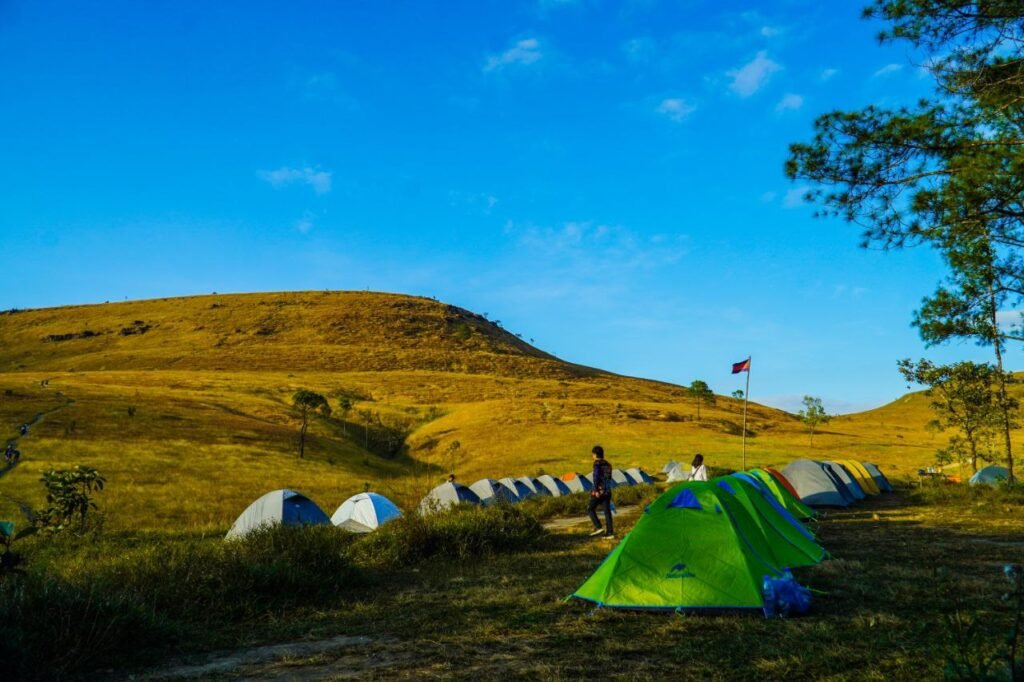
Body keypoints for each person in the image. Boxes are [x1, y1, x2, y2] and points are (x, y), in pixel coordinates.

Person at [587, 445, 614, 538]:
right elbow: (609, 477)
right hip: (607, 490)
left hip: (599, 490)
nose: (592, 456)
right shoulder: (608, 464)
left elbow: (596, 477)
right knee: (607, 511)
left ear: (595, 454)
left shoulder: (597, 464)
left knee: (590, 508)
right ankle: (610, 533)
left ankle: (598, 527)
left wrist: (595, 490)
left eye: (593, 454)